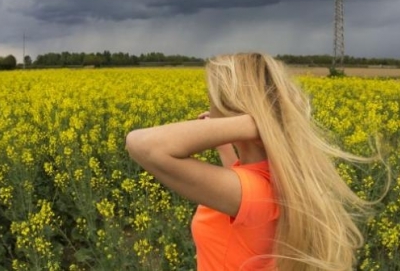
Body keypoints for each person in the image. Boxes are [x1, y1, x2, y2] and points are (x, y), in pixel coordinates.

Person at [126, 52, 376, 270]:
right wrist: (228, 147)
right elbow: (245, 216)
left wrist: (255, 122)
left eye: (213, 101)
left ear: (230, 109)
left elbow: (140, 144)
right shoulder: (277, 175)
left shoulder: (252, 191)